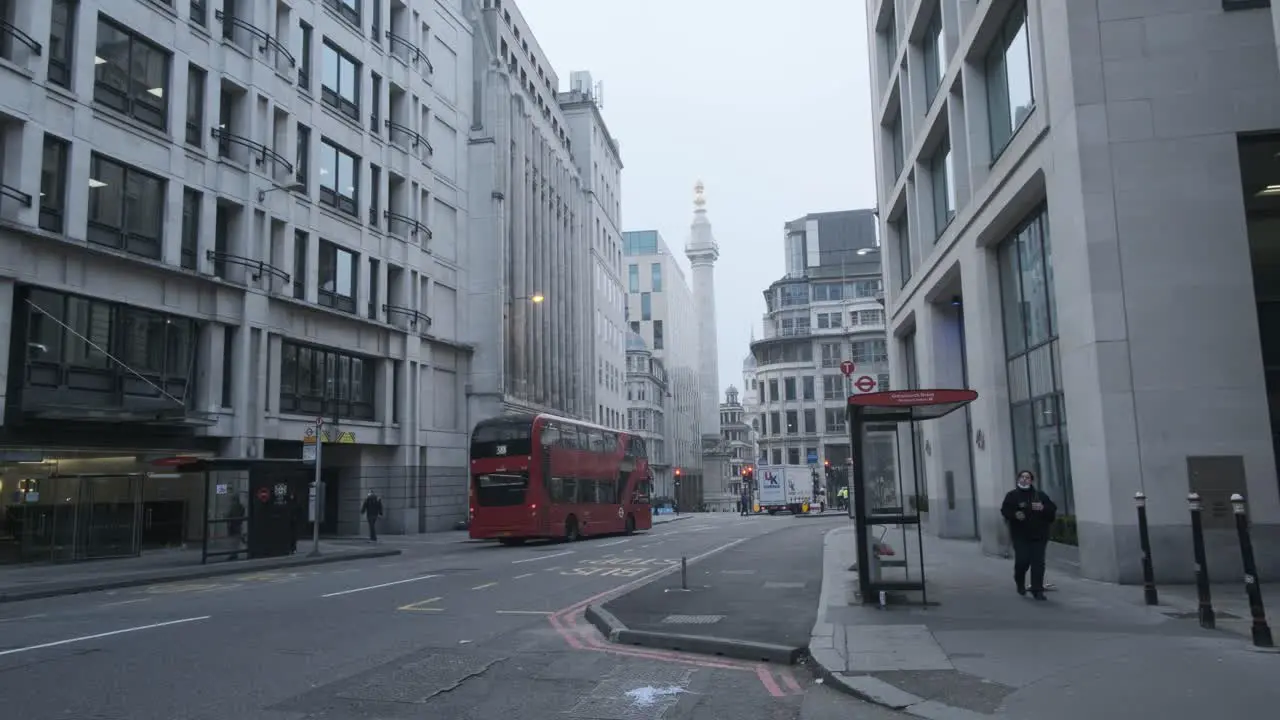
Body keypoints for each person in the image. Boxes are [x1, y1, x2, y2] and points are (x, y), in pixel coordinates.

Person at [1000, 470, 1057, 600]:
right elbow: (1005, 510)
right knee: (1022, 561)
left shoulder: (1040, 495)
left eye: (1028, 477)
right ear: (1018, 479)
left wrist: (1043, 508)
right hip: (1020, 535)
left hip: (1039, 535)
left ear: (1031, 480)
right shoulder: (1012, 496)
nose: (1025, 479)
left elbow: (1052, 510)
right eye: (1022, 477)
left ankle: (1037, 590)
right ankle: (1019, 581)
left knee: (1038, 563)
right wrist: (1014, 515)